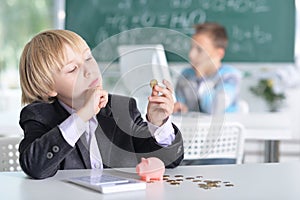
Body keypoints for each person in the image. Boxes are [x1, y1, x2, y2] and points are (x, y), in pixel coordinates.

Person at [18, 29, 184, 179]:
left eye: (88, 58)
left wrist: (158, 123)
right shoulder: (39, 115)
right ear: (49, 88)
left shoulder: (122, 107)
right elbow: (35, 167)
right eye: (72, 69)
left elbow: (168, 161)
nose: (89, 70)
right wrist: (82, 116)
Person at [174, 22, 242, 114]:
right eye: (191, 48)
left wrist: (201, 77)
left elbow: (214, 109)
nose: (191, 55)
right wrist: (179, 108)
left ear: (219, 54)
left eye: (199, 50)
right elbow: (179, 104)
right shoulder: (186, 75)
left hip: (224, 127)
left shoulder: (230, 76)